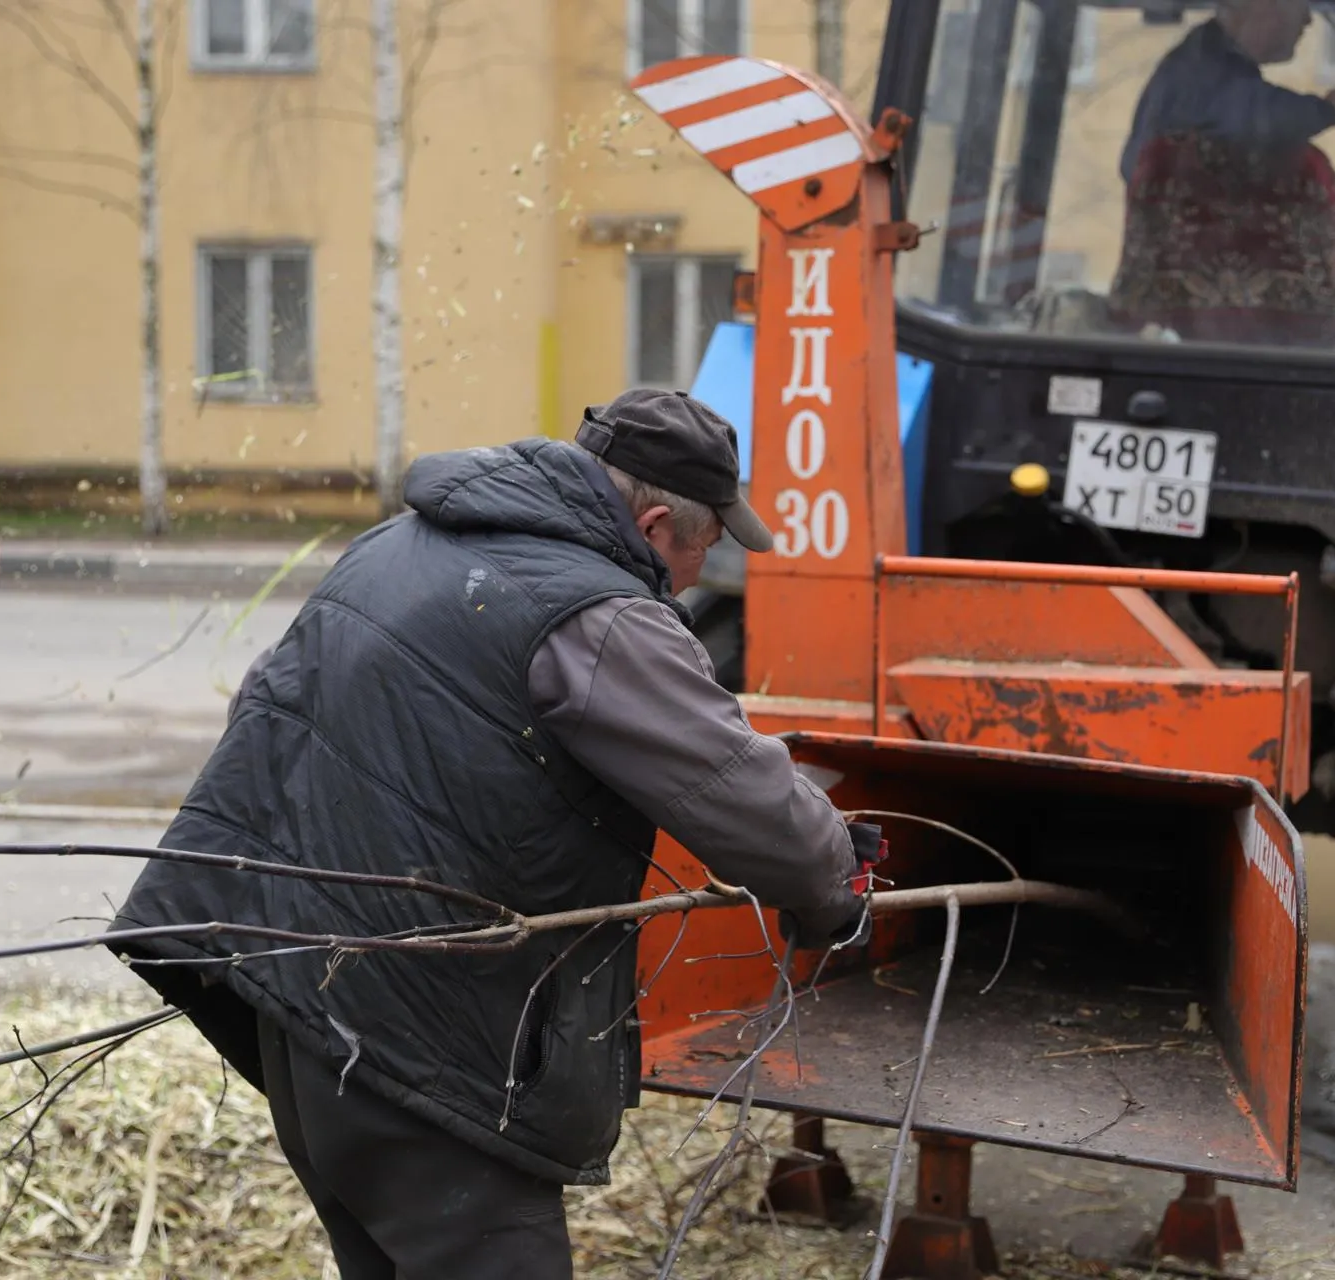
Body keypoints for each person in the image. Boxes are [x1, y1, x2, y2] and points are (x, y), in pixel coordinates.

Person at [106, 389, 869, 1279]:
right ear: (656, 526)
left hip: (293, 999)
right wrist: (836, 890)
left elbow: (268, 703)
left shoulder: (392, 547)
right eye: (704, 549)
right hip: (416, 1037)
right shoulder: (598, 615)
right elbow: (743, 795)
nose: (699, 576)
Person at [1119, 0, 1335, 183]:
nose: (1308, 19)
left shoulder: (1204, 59)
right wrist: (1331, 111)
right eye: (1299, 4)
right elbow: (1252, 114)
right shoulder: (1202, 68)